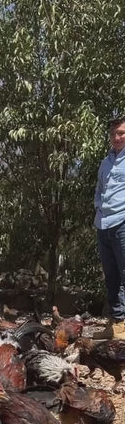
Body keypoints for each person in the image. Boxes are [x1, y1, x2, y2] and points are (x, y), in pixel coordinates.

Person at [94, 115, 125, 339]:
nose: (117, 137)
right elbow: (100, 189)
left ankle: (123, 324)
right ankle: (116, 324)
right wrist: (98, 208)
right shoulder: (105, 162)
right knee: (111, 276)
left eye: (121, 133)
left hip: (123, 222)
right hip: (103, 224)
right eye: (113, 134)